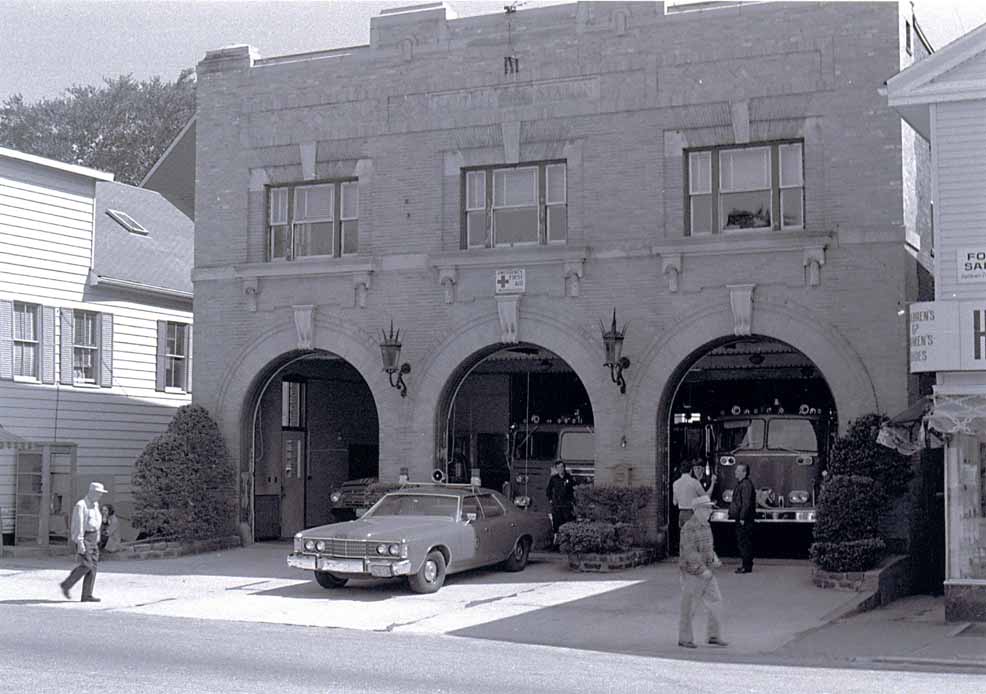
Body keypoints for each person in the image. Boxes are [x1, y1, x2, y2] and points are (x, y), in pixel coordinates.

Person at [678, 495, 727, 649]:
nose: (710, 511)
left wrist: (714, 559)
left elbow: (708, 548)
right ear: (697, 510)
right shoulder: (689, 527)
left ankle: (713, 636)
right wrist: (702, 570)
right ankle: (684, 639)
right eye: (707, 508)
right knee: (689, 607)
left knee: (716, 602)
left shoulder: (706, 525)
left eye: (710, 508)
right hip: (692, 573)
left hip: (707, 572)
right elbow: (690, 553)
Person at [59, 482, 106, 602]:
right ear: (92, 492)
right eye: (98, 493)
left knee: (93, 567)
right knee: (87, 564)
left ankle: (87, 594)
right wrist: (79, 542)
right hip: (85, 537)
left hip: (94, 536)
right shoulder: (81, 505)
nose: (100, 496)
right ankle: (67, 584)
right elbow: (78, 525)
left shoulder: (95, 504)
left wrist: (98, 537)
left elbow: (96, 523)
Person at [729, 463, 756, 574]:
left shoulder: (745, 485)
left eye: (738, 470)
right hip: (743, 517)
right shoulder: (744, 484)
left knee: (744, 542)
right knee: (743, 541)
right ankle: (746, 564)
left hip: (744, 519)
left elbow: (746, 503)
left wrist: (742, 517)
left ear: (744, 473)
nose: (735, 472)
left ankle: (746, 566)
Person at [545, 462, 576, 547]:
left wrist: (572, 501)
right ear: (556, 469)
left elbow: (573, 489)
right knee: (556, 522)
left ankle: (567, 542)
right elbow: (548, 490)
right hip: (556, 505)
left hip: (566, 505)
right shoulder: (554, 478)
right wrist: (551, 500)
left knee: (566, 521)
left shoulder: (569, 478)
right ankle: (555, 542)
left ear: (564, 468)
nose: (560, 469)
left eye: (562, 467)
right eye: (558, 467)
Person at [672, 460, 706, 528]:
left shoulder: (675, 483)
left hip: (681, 514)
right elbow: (704, 498)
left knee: (684, 536)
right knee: (694, 536)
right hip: (693, 513)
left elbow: (674, 502)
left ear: (681, 471)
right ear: (691, 470)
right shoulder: (695, 482)